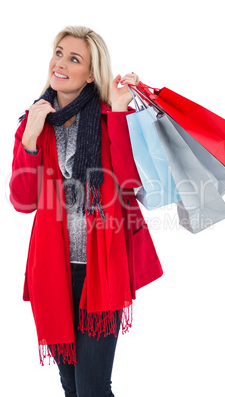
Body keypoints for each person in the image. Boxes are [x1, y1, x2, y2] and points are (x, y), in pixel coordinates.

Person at [9, 26, 163, 397]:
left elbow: (130, 182)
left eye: (73, 59)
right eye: (58, 52)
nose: (59, 63)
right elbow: (23, 201)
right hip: (54, 271)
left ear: (91, 74)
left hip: (102, 270)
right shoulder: (36, 121)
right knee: (70, 386)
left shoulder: (110, 115)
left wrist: (123, 109)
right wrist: (29, 138)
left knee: (93, 388)